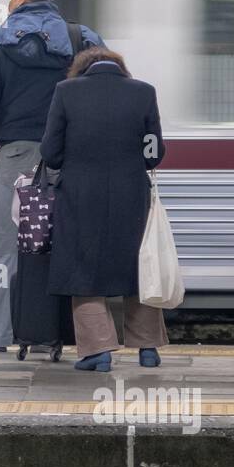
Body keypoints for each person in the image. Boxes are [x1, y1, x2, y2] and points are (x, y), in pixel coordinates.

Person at [0, 0, 102, 354]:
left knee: (7, 247)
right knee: (65, 245)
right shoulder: (83, 38)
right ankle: (49, 336)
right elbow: (104, 93)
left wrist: (4, 129)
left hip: (17, 154)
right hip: (72, 157)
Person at [40, 47, 166, 373]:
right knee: (139, 269)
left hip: (80, 196)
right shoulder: (143, 92)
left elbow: (51, 152)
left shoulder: (66, 91)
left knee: (82, 270)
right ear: (120, 67)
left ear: (81, 69)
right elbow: (154, 152)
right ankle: (147, 348)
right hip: (132, 195)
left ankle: (99, 352)